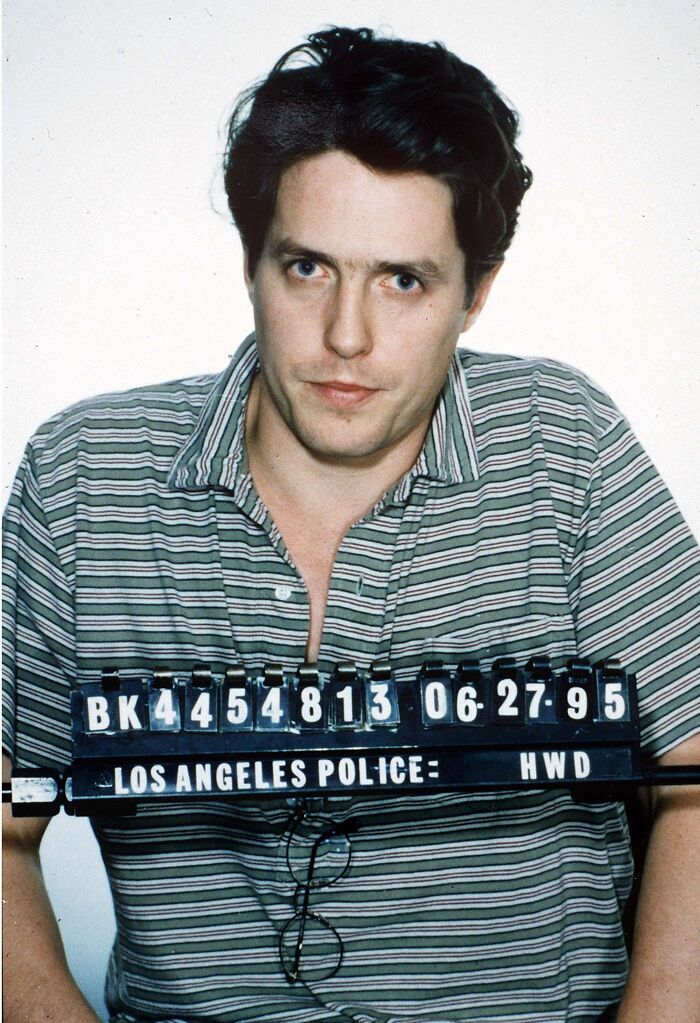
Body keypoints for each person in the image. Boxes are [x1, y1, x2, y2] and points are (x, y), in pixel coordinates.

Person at [3, 25, 699, 1023]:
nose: (346, 336)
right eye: (308, 268)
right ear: (251, 263)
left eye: (402, 279)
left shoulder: (563, 447)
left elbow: (696, 777)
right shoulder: (84, 477)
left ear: (476, 293)